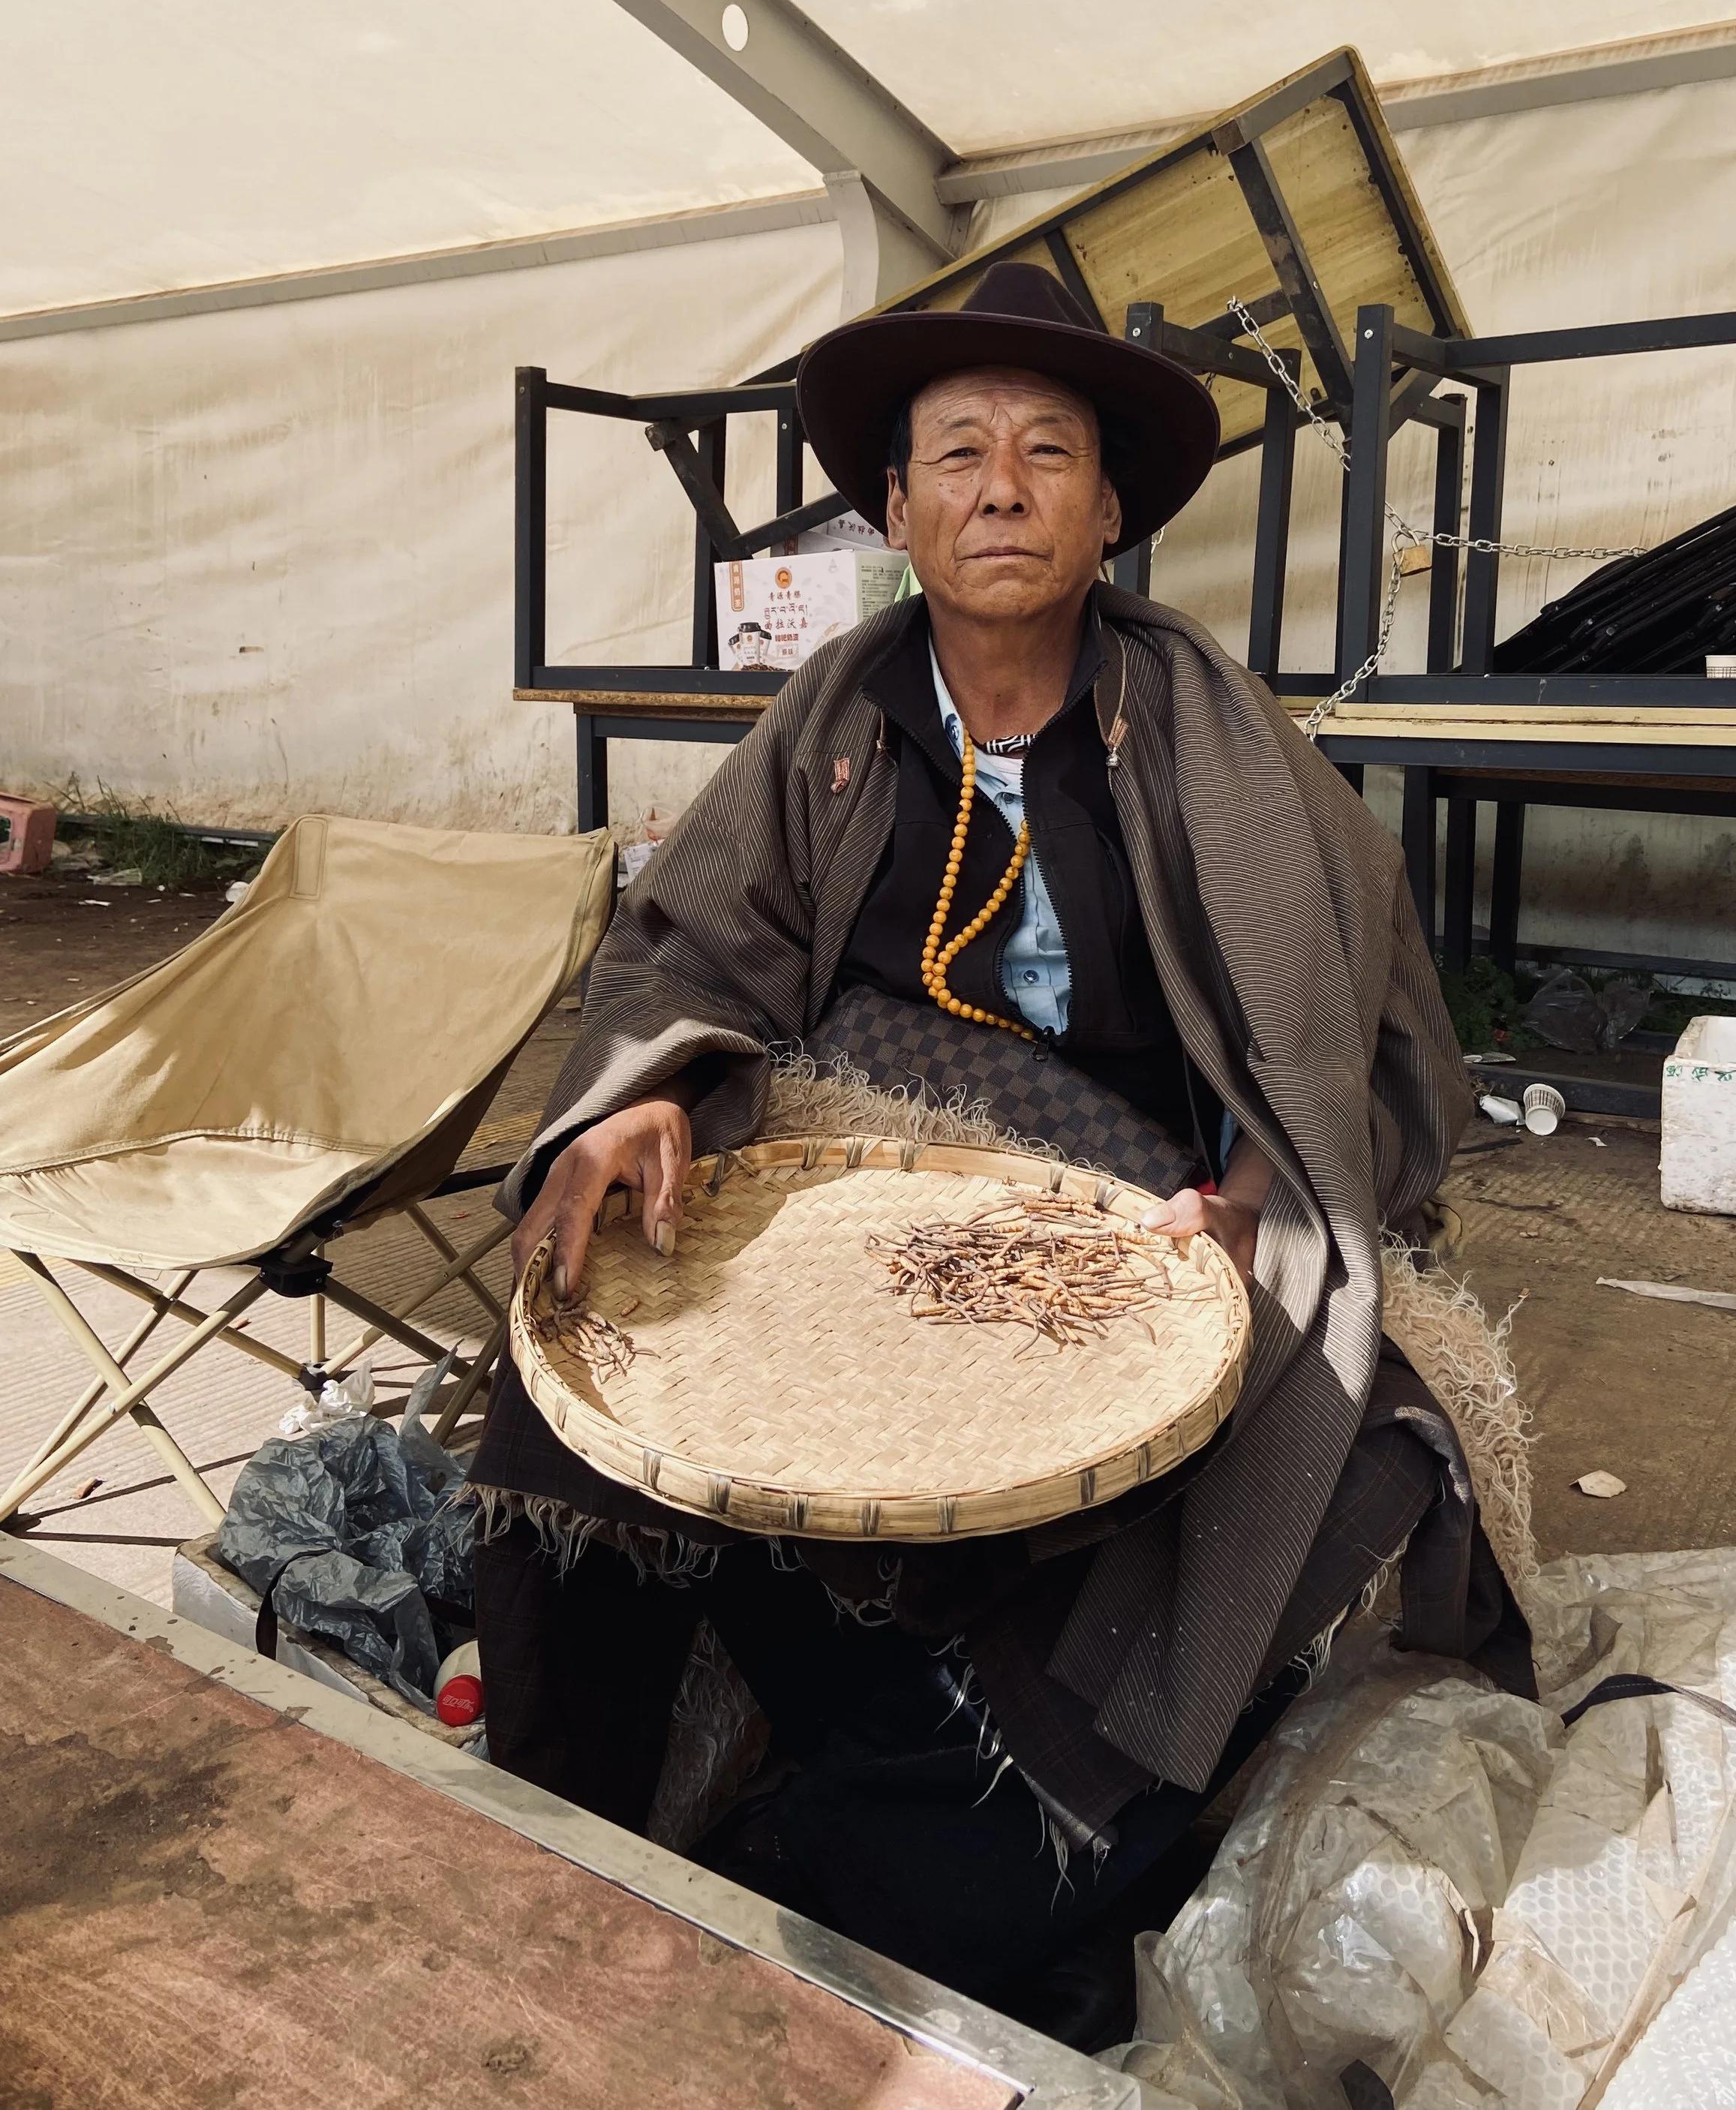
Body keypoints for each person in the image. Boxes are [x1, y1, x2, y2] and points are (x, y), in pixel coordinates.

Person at [468, 262, 1530, 2039]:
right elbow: (693, 947)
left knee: (1337, 1449)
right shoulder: (833, 718)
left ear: (1110, 509)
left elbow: (1339, 1011)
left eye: (1049, 451)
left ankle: (906, 1855)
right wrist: (651, 1087)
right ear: (895, 507)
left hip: (1136, 1205)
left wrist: (1260, 1184)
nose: (1000, 487)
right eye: (954, 451)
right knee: (567, 1380)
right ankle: (557, 1827)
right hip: (853, 1175)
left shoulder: (1215, 738)